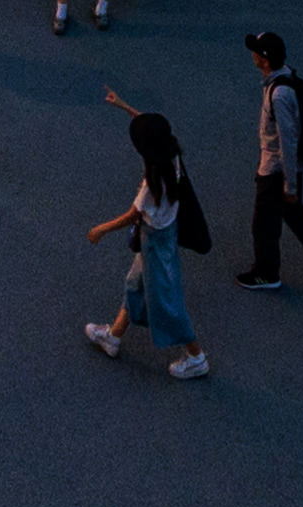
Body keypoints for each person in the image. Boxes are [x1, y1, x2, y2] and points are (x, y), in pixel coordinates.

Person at [79, 98, 211, 378]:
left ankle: (196, 356)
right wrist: (124, 106)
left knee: (167, 301)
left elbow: (131, 216)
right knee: (135, 283)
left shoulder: (152, 186)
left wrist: (101, 229)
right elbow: (152, 129)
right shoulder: (171, 156)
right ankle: (114, 336)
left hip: (155, 241)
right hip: (162, 235)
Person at [240, 26, 303, 288]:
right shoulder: (284, 79)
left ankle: (266, 273)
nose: (253, 55)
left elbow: (288, 142)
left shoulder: (280, 94)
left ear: (265, 60)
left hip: (276, 170)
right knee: (295, 215)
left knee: (264, 224)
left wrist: (290, 185)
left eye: (256, 52)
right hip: (284, 169)